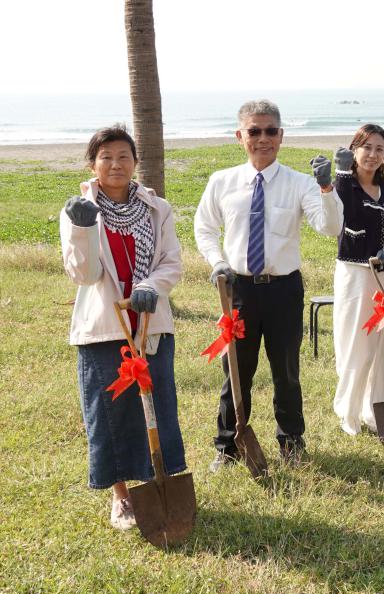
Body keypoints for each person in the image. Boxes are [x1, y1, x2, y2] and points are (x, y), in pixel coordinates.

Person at [195, 100, 343, 470]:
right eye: (254, 131)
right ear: (240, 136)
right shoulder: (222, 182)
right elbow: (205, 229)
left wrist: (328, 188)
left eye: (270, 131)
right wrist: (217, 262)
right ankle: (227, 445)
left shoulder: (301, 183)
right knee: (236, 371)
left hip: (283, 290)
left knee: (286, 371)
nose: (263, 138)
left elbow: (329, 227)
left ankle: (291, 441)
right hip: (239, 290)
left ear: (281, 135)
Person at [60, 124, 185, 530]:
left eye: (123, 156)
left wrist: (150, 286)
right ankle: (121, 498)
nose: (115, 164)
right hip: (105, 326)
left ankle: (157, 483)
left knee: (157, 406)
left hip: (150, 322)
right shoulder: (79, 210)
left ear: (135, 162)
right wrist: (82, 231)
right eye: (106, 157)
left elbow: (171, 262)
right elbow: (84, 274)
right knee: (110, 413)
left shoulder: (156, 208)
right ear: (93, 163)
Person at [313, 125, 384, 435]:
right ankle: (349, 412)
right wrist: (341, 175)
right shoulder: (347, 187)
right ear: (355, 151)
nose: (373, 154)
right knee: (356, 345)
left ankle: (378, 409)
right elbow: (344, 217)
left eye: (380, 149)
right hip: (356, 277)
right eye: (366, 147)